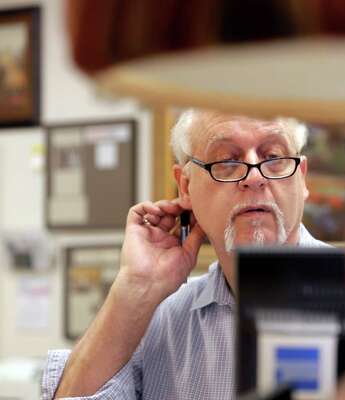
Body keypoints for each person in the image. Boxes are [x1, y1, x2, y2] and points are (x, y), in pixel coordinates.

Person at [42, 110, 329, 400]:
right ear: (186, 186)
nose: (254, 176)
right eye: (227, 161)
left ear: (301, 178)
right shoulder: (157, 323)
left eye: (273, 156)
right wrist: (135, 288)